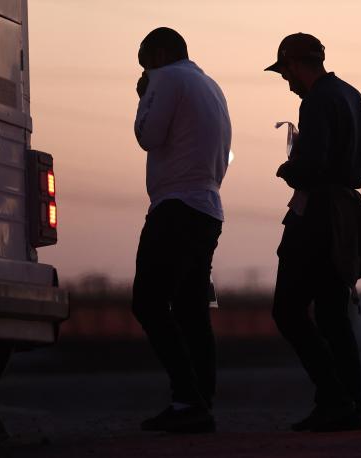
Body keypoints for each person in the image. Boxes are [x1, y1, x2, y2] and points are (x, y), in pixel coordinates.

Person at [266, 33, 361, 432]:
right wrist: (345, 159)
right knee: (335, 317)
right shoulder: (351, 94)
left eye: (286, 72)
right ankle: (352, 404)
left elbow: (311, 165)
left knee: (288, 310)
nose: (287, 81)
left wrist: (289, 168)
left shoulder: (315, 100)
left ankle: (333, 397)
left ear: (296, 64)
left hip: (317, 214)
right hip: (346, 213)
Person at [131, 27, 232, 434]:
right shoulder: (210, 85)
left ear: (157, 54)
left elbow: (147, 136)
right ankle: (199, 401)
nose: (143, 74)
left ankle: (187, 398)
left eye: (144, 65)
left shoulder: (168, 77)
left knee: (149, 303)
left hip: (176, 206)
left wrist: (143, 98)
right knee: (191, 310)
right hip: (208, 207)